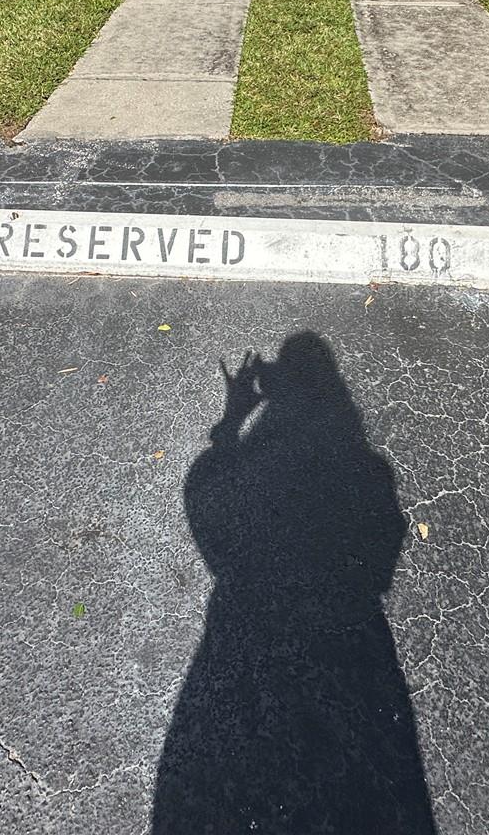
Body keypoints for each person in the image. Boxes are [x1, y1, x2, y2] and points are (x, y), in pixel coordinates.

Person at [152, 333, 436, 834]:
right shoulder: (369, 469)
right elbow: (382, 561)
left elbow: (203, 498)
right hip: (347, 643)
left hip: (247, 635)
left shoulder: (247, 465)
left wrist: (232, 421)